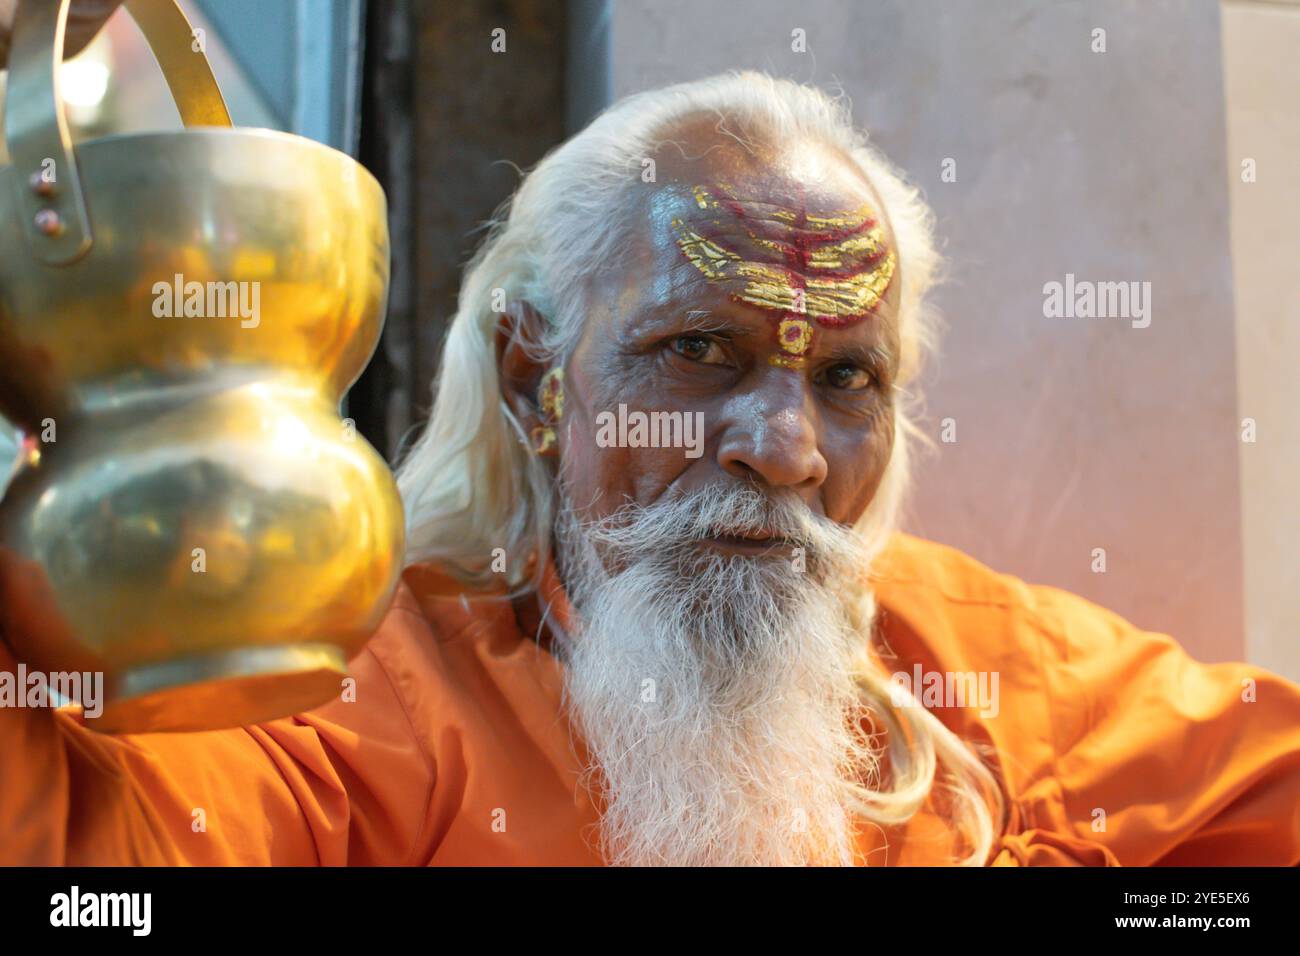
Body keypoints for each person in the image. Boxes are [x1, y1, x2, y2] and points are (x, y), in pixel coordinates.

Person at [1, 4, 1296, 865]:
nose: (786, 448)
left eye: (849, 377)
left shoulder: (959, 670)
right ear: (534, 377)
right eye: (699, 352)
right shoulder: (375, 699)